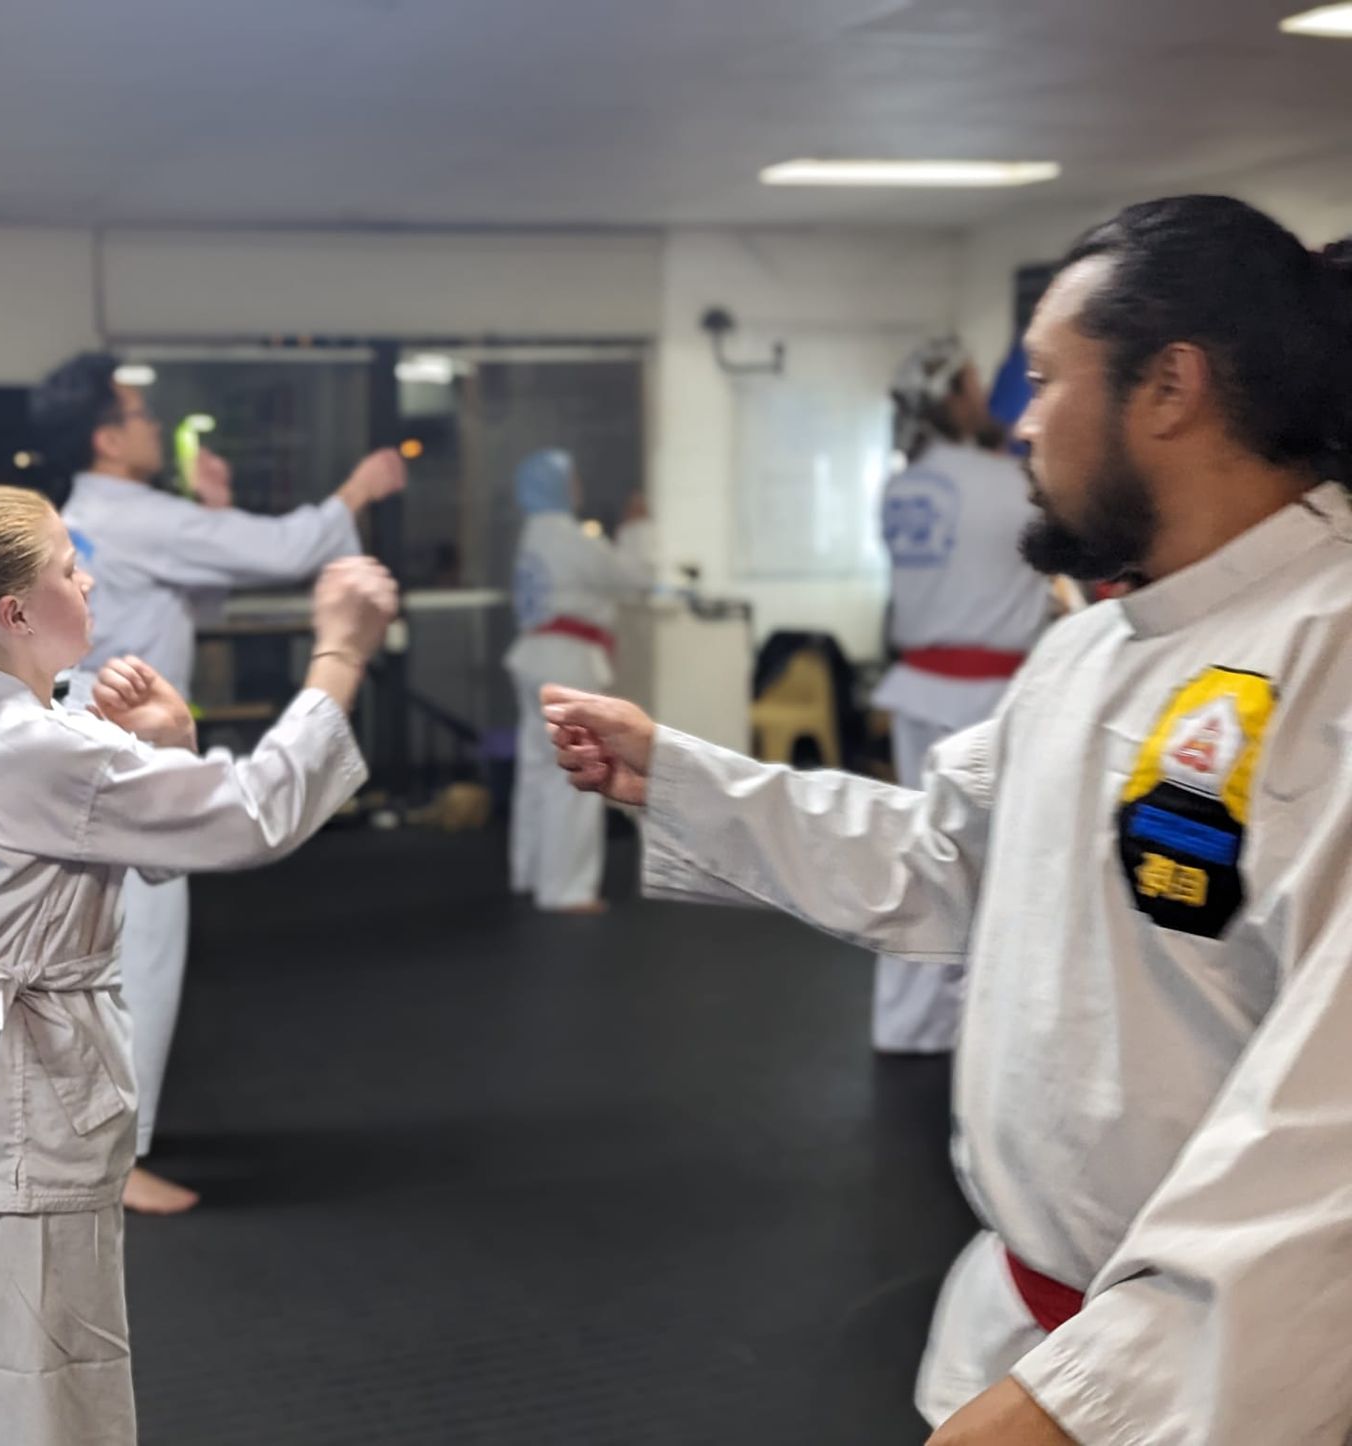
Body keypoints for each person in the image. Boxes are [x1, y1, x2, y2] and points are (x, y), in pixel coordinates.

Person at [544, 196, 1352, 1443]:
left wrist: (1073, 1407)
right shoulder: (1090, 653)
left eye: (1048, 377)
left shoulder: (1327, 659)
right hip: (1012, 1331)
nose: (1023, 422)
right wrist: (685, 777)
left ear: (1171, 386)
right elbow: (943, 859)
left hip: (1210, 1381)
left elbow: (1327, 1156)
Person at [0, 485, 398, 1445]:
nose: (90, 582)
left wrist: (168, 743)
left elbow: (159, 844)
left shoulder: (9, 724)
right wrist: (341, 654)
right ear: (17, 612)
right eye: (72, 569)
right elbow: (255, 815)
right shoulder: (40, 747)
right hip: (17, 1099)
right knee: (40, 1386)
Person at [33, 351, 407, 1214]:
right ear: (105, 435)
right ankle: (115, 1158)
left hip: (94, 743)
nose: (151, 427)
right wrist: (355, 491)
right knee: (142, 952)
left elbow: (185, 602)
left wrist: (210, 514)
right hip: (118, 749)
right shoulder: (130, 513)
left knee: (106, 949)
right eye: (137, 414)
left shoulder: (85, 520)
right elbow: (285, 549)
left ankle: (106, 1136)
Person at [870, 340, 1047, 1052]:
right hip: (985, 699)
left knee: (924, 853)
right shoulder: (1008, 485)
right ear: (953, 399)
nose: (987, 401)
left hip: (919, 691)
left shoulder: (901, 485)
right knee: (995, 864)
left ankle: (911, 1021)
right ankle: (983, 1029)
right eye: (976, 388)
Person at [505, 449, 653, 913]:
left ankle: (529, 871)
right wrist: (637, 529)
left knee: (536, 769)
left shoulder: (532, 536)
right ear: (560, 486)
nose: (578, 487)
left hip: (535, 657)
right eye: (572, 479)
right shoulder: (566, 536)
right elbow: (633, 578)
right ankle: (565, 889)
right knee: (576, 769)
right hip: (566, 662)